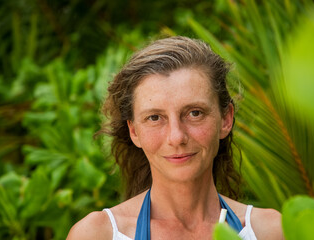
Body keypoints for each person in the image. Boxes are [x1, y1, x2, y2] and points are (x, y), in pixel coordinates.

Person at [67, 36, 284, 240]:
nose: (176, 137)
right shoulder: (99, 234)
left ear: (226, 119)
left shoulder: (270, 231)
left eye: (194, 113)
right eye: (154, 117)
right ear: (134, 131)